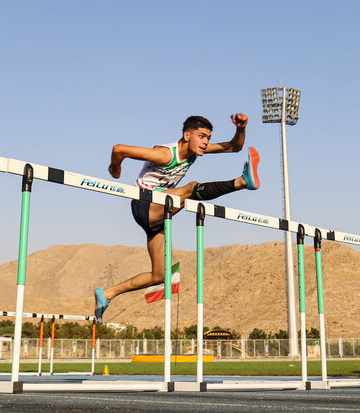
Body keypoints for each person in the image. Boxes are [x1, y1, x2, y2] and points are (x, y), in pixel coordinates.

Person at [94, 114, 259, 324]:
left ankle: (107, 293)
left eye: (208, 137)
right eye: (201, 136)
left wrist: (241, 128)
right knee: (189, 189)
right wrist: (115, 169)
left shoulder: (195, 150)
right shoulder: (164, 155)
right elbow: (119, 149)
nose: (206, 142)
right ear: (186, 135)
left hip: (161, 208)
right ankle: (240, 182)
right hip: (144, 204)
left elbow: (234, 147)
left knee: (159, 276)